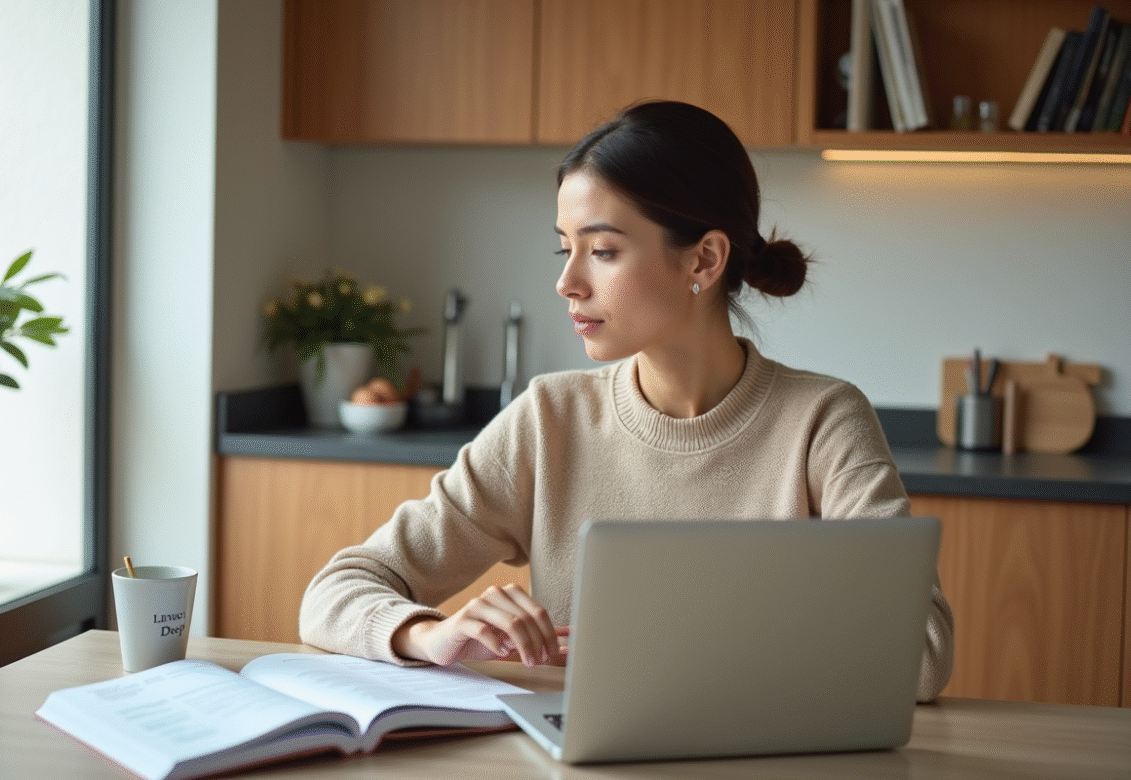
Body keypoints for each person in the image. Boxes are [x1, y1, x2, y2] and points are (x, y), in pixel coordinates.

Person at [300, 100, 954, 702]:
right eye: (566, 249)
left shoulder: (823, 423)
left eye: (603, 251)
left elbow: (919, 657)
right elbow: (332, 593)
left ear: (704, 260)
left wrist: (660, 653)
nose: (567, 282)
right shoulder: (546, 422)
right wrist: (423, 633)